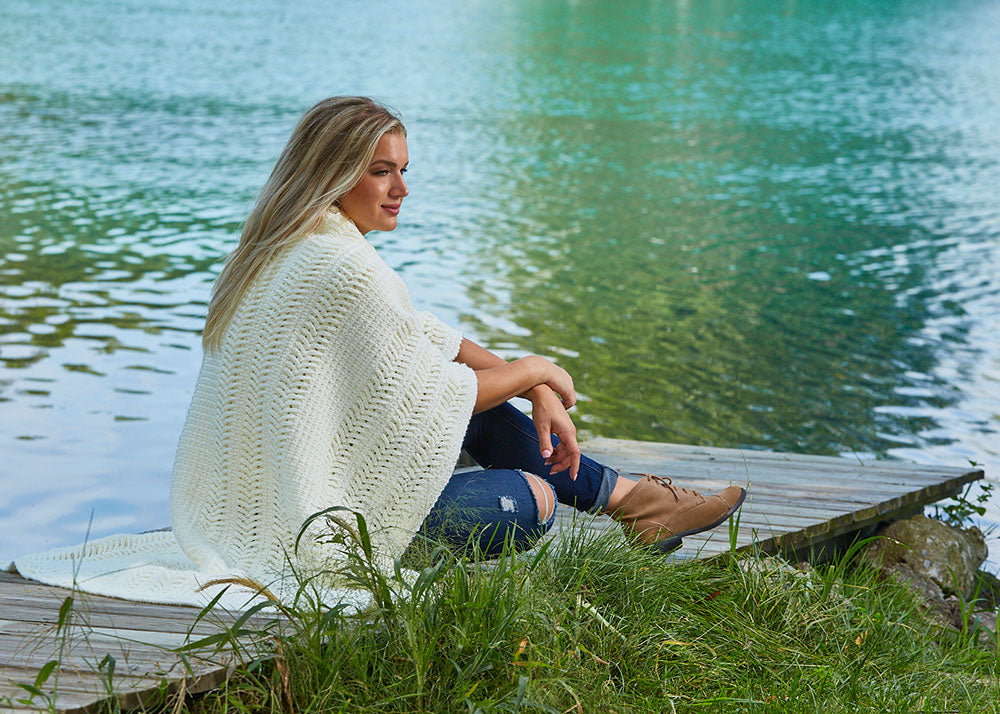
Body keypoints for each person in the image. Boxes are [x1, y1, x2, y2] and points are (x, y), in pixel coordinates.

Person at [15, 96, 745, 608]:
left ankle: (633, 503)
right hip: (317, 532)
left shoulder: (282, 249)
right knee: (533, 500)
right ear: (332, 174)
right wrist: (537, 370)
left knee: (463, 394)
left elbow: (428, 342)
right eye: (380, 170)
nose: (401, 189)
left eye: (403, 169)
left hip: (272, 506)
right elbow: (430, 387)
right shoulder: (341, 267)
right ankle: (632, 502)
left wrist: (532, 389)